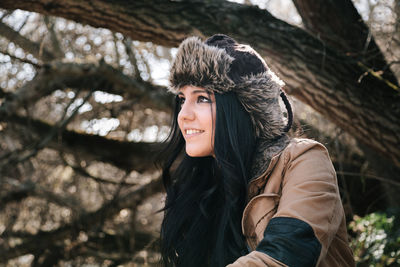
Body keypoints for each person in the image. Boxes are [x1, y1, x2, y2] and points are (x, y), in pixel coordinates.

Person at [158, 34, 355, 267]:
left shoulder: (304, 160)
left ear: (244, 108)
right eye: (182, 99)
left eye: (202, 98)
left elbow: (287, 256)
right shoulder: (201, 185)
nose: (184, 114)